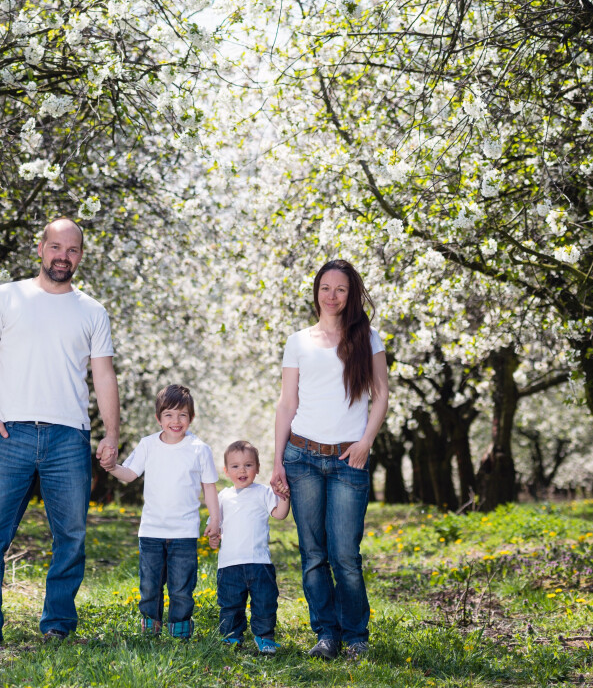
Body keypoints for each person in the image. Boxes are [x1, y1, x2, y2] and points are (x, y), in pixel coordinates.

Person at [0, 218, 120, 648]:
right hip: (11, 435)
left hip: (69, 438)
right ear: (41, 248)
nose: (63, 256)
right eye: (56, 247)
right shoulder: (6, 296)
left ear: (80, 256)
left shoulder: (92, 311)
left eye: (73, 250)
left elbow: (104, 377)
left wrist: (111, 434)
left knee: (71, 538)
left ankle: (58, 625)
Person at [270, 259, 389, 661]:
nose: (332, 295)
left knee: (345, 555)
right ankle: (325, 634)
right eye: (325, 288)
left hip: (347, 462)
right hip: (301, 456)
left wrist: (365, 443)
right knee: (313, 554)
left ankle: (356, 636)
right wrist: (276, 462)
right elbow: (287, 404)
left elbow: (381, 395)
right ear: (316, 291)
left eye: (340, 289)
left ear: (351, 293)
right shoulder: (298, 341)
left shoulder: (368, 338)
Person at [101, 384, 219, 639]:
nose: (175, 421)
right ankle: (150, 627)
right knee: (150, 585)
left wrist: (215, 519)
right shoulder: (148, 445)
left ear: (191, 418)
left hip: (184, 533)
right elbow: (130, 474)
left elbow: (209, 488)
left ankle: (180, 629)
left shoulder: (200, 449)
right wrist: (112, 467)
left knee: (181, 587)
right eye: (169, 415)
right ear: (158, 418)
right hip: (152, 531)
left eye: (182, 415)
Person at [214, 439, 289, 654]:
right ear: (226, 471)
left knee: (265, 604)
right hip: (229, 564)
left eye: (248, 465)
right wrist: (213, 534)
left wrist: (284, 496)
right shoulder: (223, 496)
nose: (242, 470)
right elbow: (217, 525)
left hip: (259, 563)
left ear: (257, 468)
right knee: (230, 606)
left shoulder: (263, 492)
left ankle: (264, 637)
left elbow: (280, 514)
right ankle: (231, 638)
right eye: (235, 466)